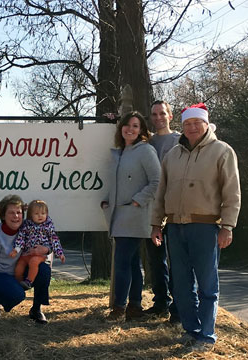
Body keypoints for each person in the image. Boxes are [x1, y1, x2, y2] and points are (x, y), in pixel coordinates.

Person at [151, 103, 240, 352]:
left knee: (207, 284)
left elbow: (232, 193)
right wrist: (156, 223)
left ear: (206, 124)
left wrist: (227, 226)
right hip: (175, 227)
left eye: (196, 123)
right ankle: (190, 331)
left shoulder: (222, 151)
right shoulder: (173, 155)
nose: (191, 128)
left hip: (206, 227)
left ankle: (207, 335)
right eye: (187, 124)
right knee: (180, 284)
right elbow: (161, 193)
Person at [101, 111, 160, 321]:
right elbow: (118, 183)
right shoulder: (120, 152)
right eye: (127, 125)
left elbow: (157, 180)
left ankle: (119, 308)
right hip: (119, 214)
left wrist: (137, 200)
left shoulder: (145, 151)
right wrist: (107, 200)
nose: (131, 129)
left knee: (122, 261)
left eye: (136, 126)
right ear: (121, 128)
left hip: (135, 215)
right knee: (133, 262)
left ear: (142, 130)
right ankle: (135, 307)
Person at [0, 194, 52, 324]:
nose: (16, 216)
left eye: (19, 212)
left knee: (44, 270)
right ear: (3, 216)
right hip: (0, 274)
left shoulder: (29, 229)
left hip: (21, 270)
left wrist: (46, 249)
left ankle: (36, 309)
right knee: (16, 295)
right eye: (11, 213)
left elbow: (48, 228)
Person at [144, 100, 180, 321]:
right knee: (155, 260)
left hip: (175, 208)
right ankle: (160, 303)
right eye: (154, 114)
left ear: (170, 115)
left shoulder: (179, 140)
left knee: (176, 260)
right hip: (151, 210)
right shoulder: (147, 141)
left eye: (162, 113)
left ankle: (179, 305)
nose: (158, 117)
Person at [9, 199, 65, 290]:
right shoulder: (26, 225)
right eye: (36, 214)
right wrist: (17, 249)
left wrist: (60, 253)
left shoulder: (48, 226)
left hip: (39, 255)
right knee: (18, 268)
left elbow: (54, 240)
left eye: (43, 213)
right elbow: (21, 238)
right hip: (26, 253)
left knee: (33, 262)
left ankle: (28, 281)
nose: (40, 216)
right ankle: (19, 283)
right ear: (31, 215)